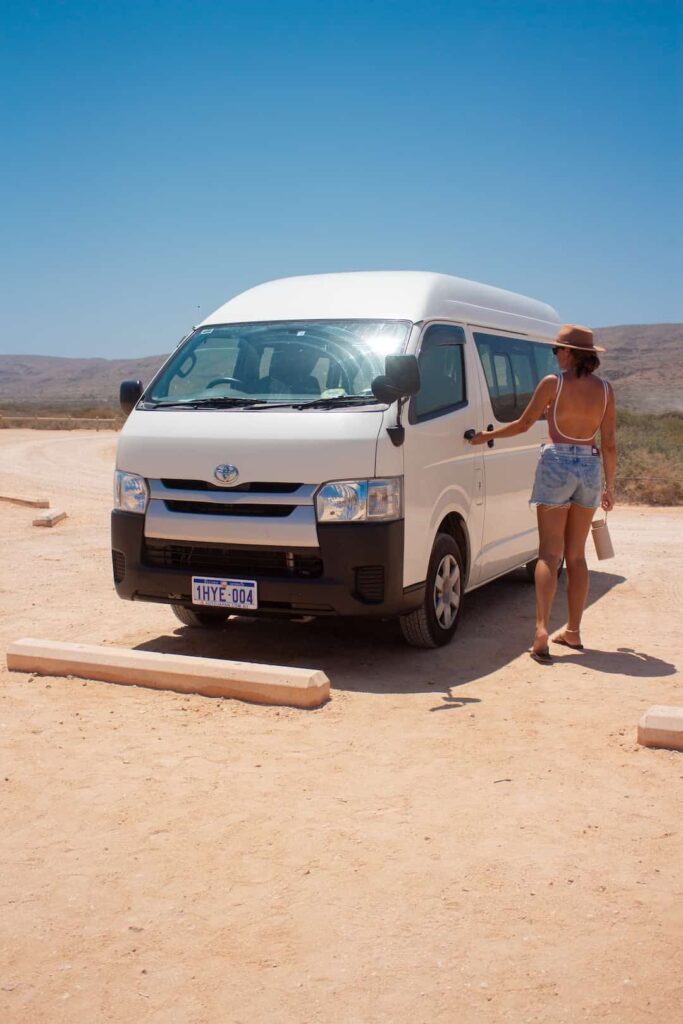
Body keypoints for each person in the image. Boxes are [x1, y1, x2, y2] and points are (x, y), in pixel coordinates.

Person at [469, 324, 616, 664]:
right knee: (576, 556)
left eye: (556, 350)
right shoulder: (607, 391)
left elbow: (523, 424)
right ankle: (574, 631)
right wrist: (610, 487)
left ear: (569, 353)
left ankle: (540, 630)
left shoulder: (554, 383)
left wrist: (484, 437)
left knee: (549, 554)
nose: (554, 354)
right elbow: (608, 443)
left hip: (556, 462)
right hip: (590, 466)